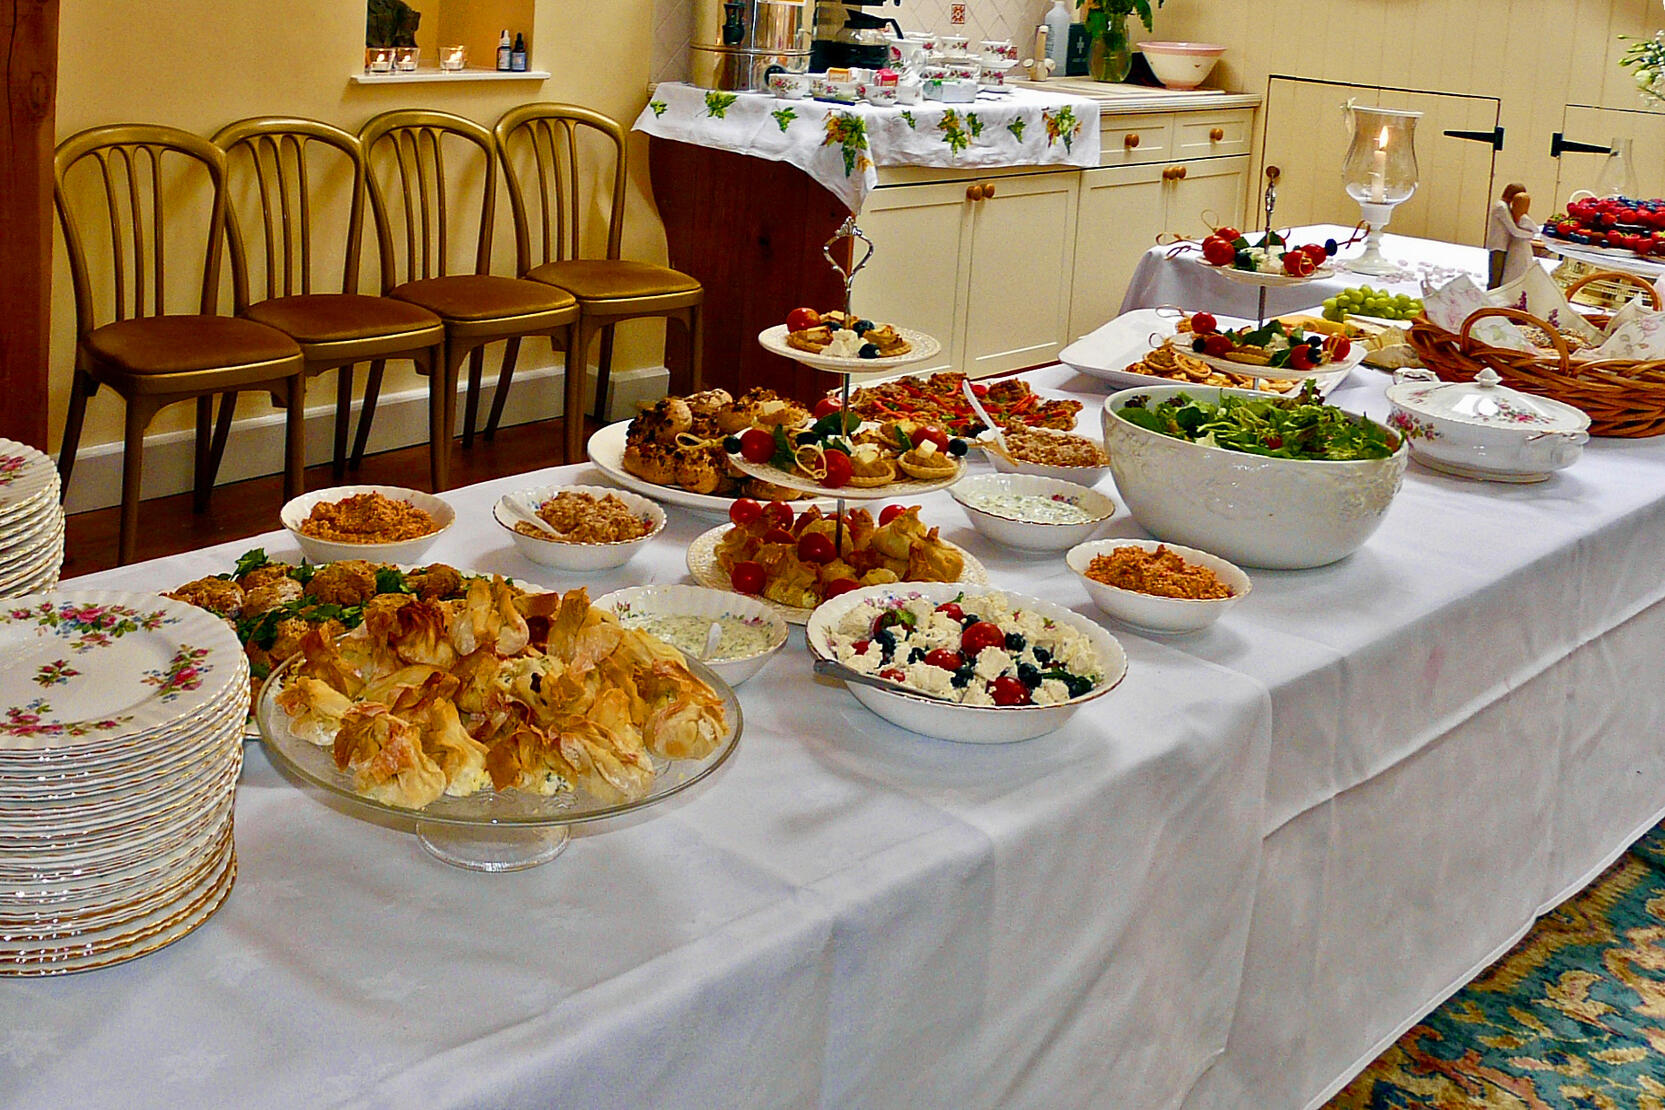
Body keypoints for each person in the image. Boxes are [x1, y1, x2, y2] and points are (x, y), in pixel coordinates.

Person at [1487, 183, 1540, 288]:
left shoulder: (1506, 206)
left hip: (1505, 244)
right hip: (1498, 245)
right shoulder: (1501, 207)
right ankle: (1490, 298)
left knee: (1502, 275)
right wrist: (1531, 235)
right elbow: (1514, 230)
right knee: (1496, 277)